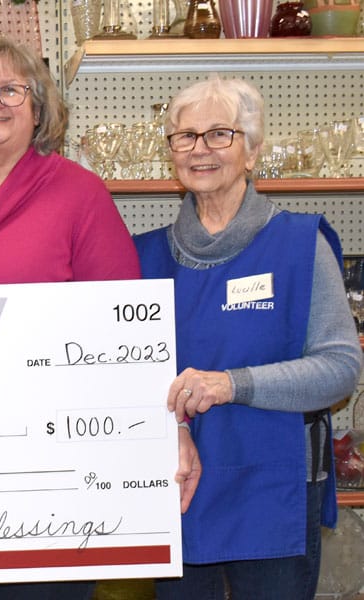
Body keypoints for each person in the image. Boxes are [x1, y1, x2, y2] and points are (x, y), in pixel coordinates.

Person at [0, 35, 201, 600]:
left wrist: (171, 429)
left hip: (57, 473)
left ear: (37, 109)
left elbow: (127, 333)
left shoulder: (79, 195)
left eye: (12, 90)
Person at [133, 77, 364, 600]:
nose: (200, 150)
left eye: (219, 134)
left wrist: (231, 384)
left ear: (253, 150)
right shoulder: (142, 259)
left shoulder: (300, 245)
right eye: (185, 136)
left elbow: (340, 368)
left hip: (273, 493)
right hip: (175, 489)